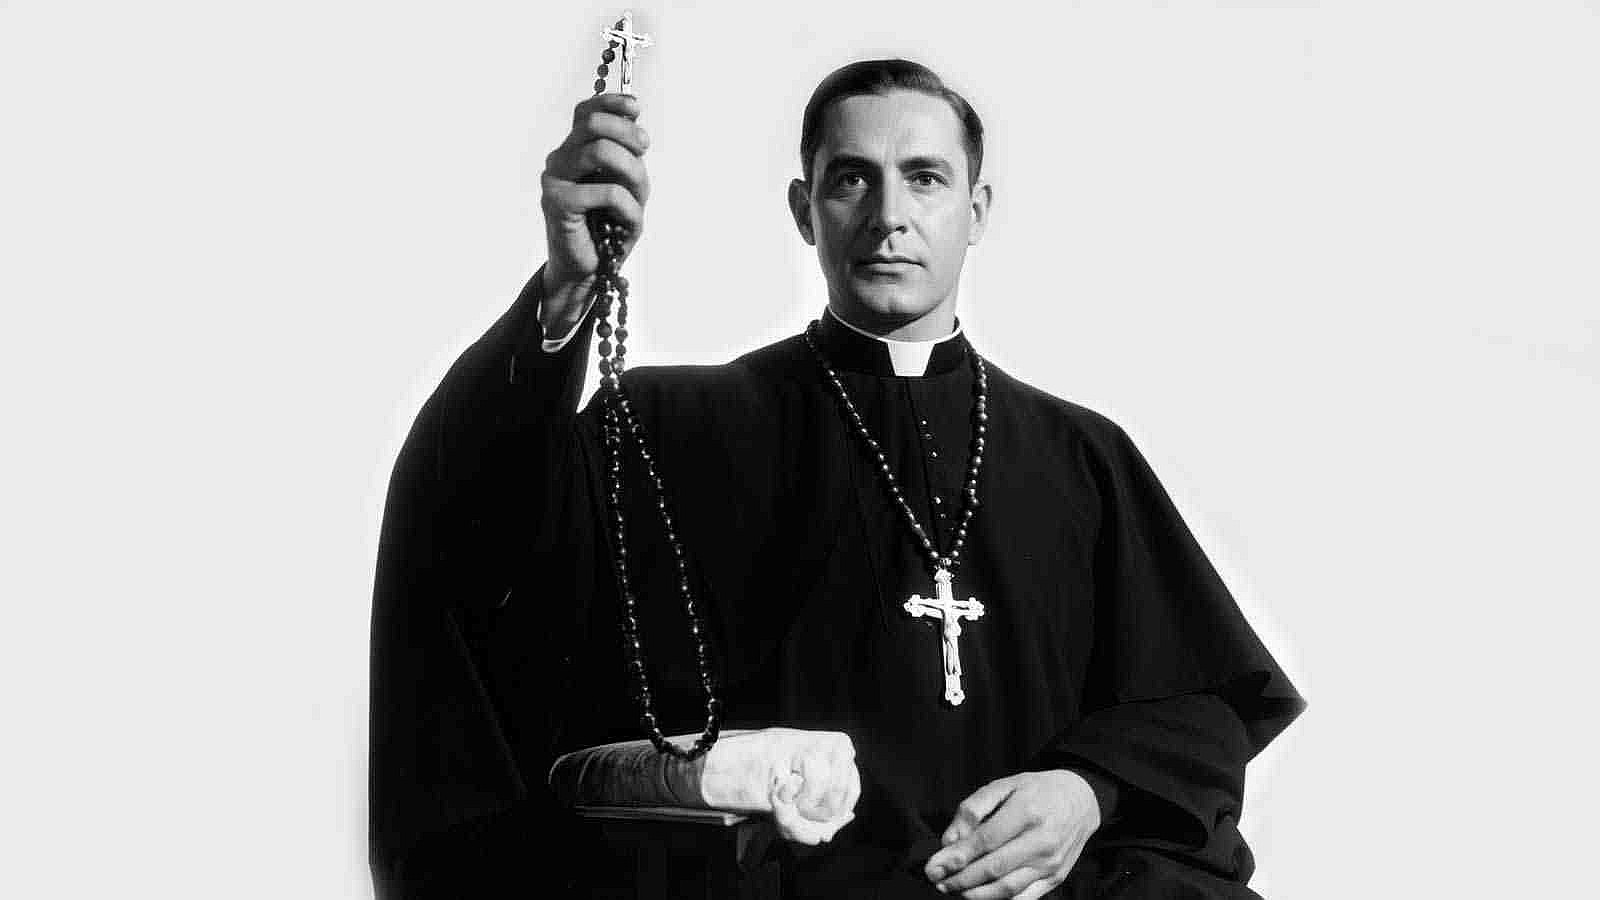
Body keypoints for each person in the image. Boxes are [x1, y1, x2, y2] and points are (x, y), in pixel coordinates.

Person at [369, 59, 1304, 899]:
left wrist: (1088, 791)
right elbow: (475, 543)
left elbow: (1196, 699)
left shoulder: (1082, 458)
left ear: (977, 210)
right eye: (852, 178)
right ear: (802, 208)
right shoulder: (673, 426)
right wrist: (568, 290)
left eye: (925, 178)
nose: (888, 215)